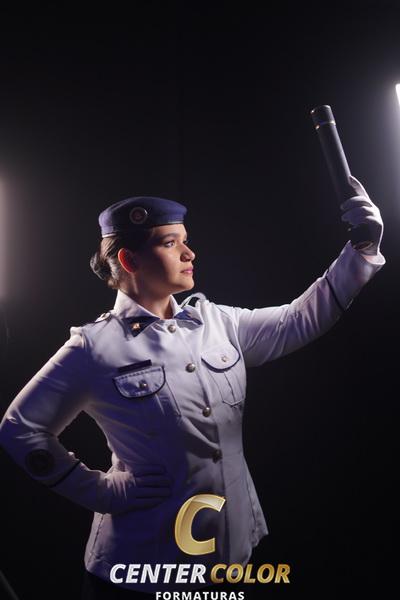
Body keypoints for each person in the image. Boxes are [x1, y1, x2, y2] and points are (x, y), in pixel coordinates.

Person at [0, 177, 385, 599]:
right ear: (129, 259)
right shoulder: (94, 347)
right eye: (171, 243)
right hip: (141, 569)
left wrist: (361, 249)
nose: (189, 253)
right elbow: (20, 428)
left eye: (185, 241)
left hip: (228, 556)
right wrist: (102, 492)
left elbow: (298, 319)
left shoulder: (217, 322)